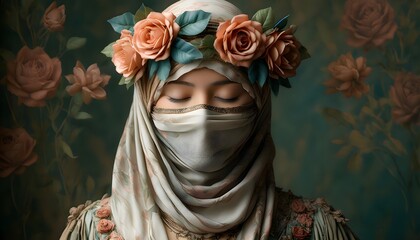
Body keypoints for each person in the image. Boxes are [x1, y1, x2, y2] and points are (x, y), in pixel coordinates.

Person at [60, 0, 358, 239]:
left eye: (227, 98)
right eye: (178, 98)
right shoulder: (93, 231)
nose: (202, 117)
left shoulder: (314, 230)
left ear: (258, 110)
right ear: (145, 111)